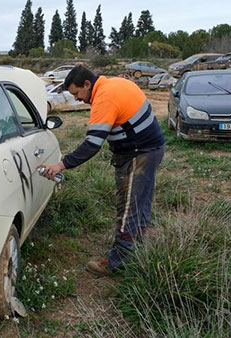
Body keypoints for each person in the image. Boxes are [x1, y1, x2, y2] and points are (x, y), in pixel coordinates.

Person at [38, 65, 165, 274]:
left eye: (77, 93)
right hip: (151, 148)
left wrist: (61, 164)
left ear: (88, 84)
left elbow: (92, 145)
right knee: (140, 202)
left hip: (139, 153)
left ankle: (119, 263)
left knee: (128, 207)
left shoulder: (104, 98)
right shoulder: (115, 83)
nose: (77, 99)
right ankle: (138, 247)